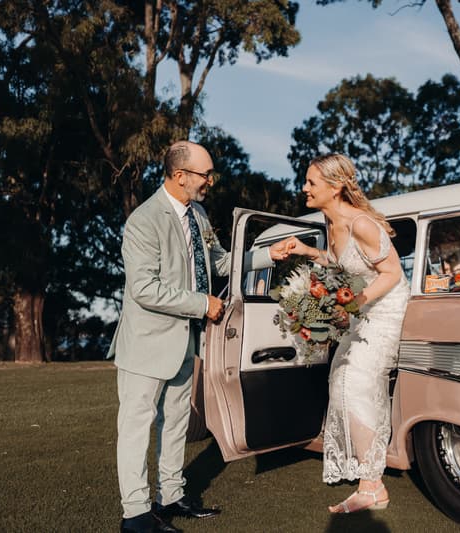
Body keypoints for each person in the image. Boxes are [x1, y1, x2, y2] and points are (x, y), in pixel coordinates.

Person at [108, 141, 291, 533]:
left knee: (176, 421)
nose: (210, 180)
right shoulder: (143, 221)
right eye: (205, 174)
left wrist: (267, 255)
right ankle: (136, 514)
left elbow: (220, 262)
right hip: (146, 343)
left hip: (188, 342)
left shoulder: (200, 215)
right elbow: (144, 289)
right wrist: (201, 304)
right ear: (180, 176)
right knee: (137, 427)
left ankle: (171, 495)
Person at [275, 153, 410, 514]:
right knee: (340, 382)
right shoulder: (329, 221)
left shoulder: (361, 223)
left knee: (354, 382)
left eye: (311, 182)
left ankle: (372, 485)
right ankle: (371, 481)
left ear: (335, 188)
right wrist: (307, 252)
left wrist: (353, 304)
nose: (304, 187)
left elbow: (393, 274)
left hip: (383, 308)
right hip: (359, 309)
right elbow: (343, 263)